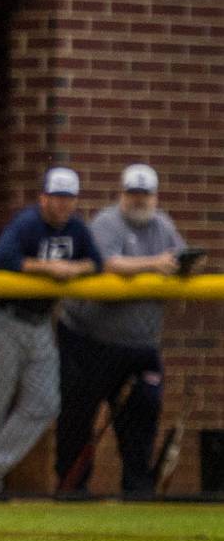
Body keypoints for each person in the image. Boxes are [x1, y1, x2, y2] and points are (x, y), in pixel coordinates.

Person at [0, 167, 103, 497]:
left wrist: (74, 268)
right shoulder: (27, 224)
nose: (63, 205)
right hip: (3, 319)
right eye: (56, 198)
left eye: (69, 198)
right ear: (43, 198)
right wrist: (49, 268)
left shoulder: (77, 229)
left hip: (38, 325)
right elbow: (4, 259)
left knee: (45, 403)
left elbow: (96, 262)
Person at [55, 164, 195, 497]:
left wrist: (184, 267)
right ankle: (72, 488)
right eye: (133, 193)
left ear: (155, 197)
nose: (138, 200)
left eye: (145, 194)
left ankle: (137, 489)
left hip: (139, 344)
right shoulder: (107, 222)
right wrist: (154, 265)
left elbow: (178, 257)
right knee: (78, 415)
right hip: (89, 340)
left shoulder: (163, 226)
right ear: (122, 194)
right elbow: (108, 263)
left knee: (143, 412)